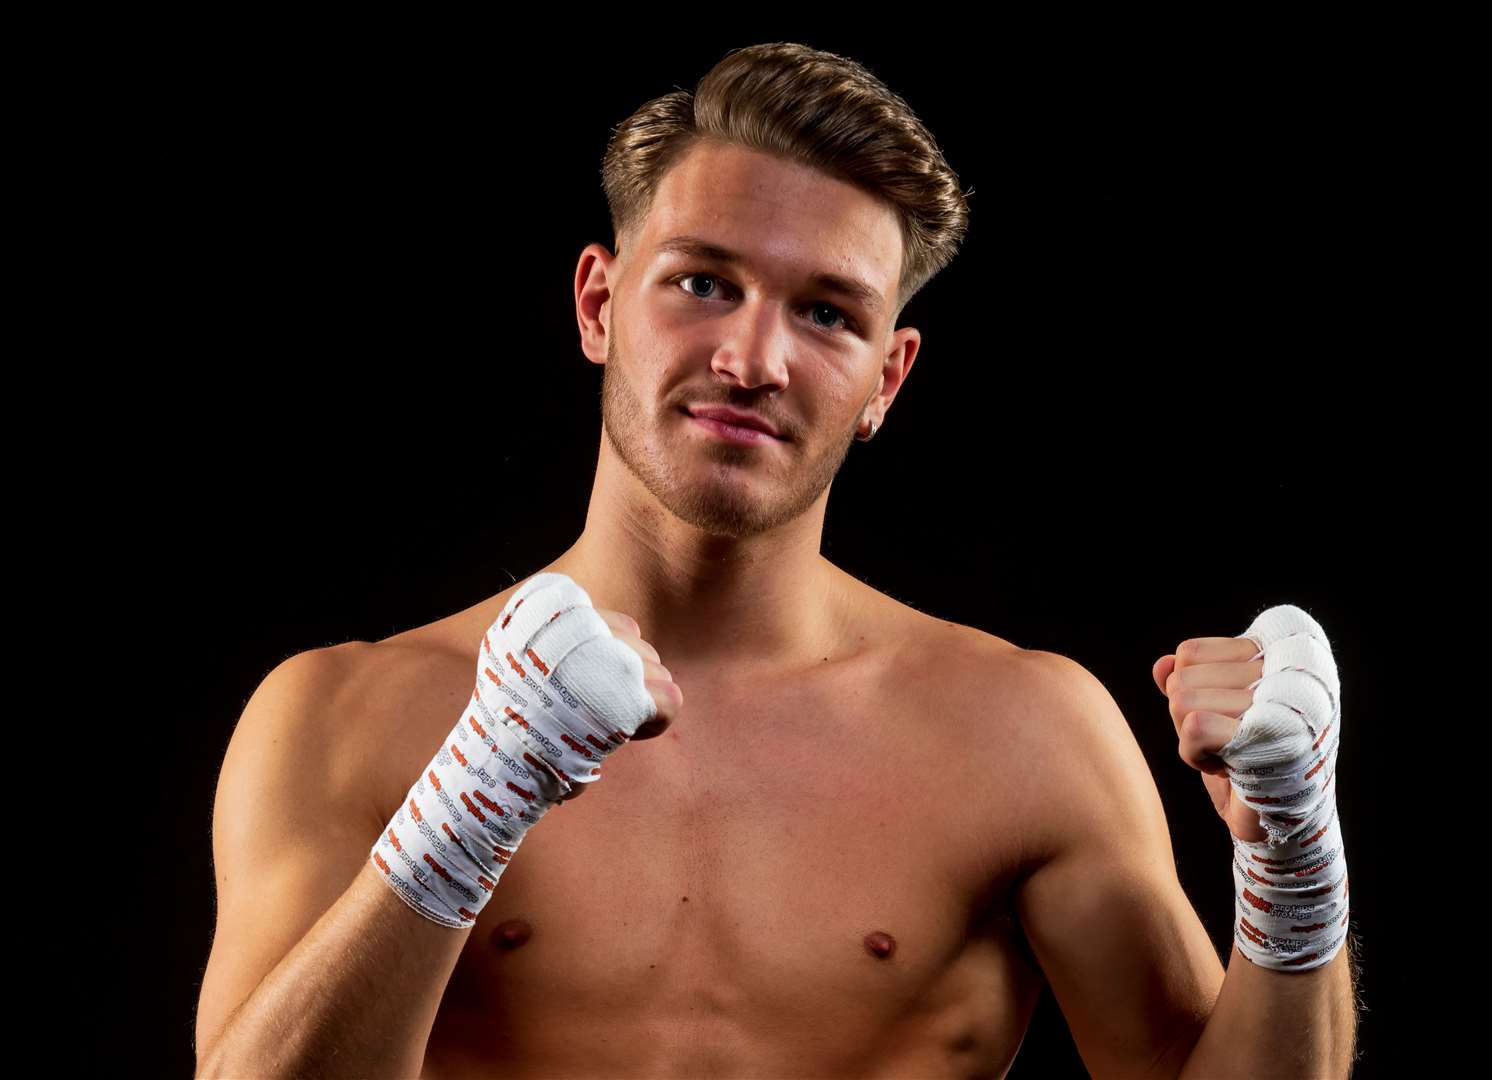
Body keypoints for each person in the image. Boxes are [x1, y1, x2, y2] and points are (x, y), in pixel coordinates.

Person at [194, 42, 1357, 1079]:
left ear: (885, 382)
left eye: (827, 315)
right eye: (703, 284)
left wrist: (1295, 862)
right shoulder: (341, 715)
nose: (753, 360)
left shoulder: (1024, 731)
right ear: (600, 303)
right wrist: (465, 808)